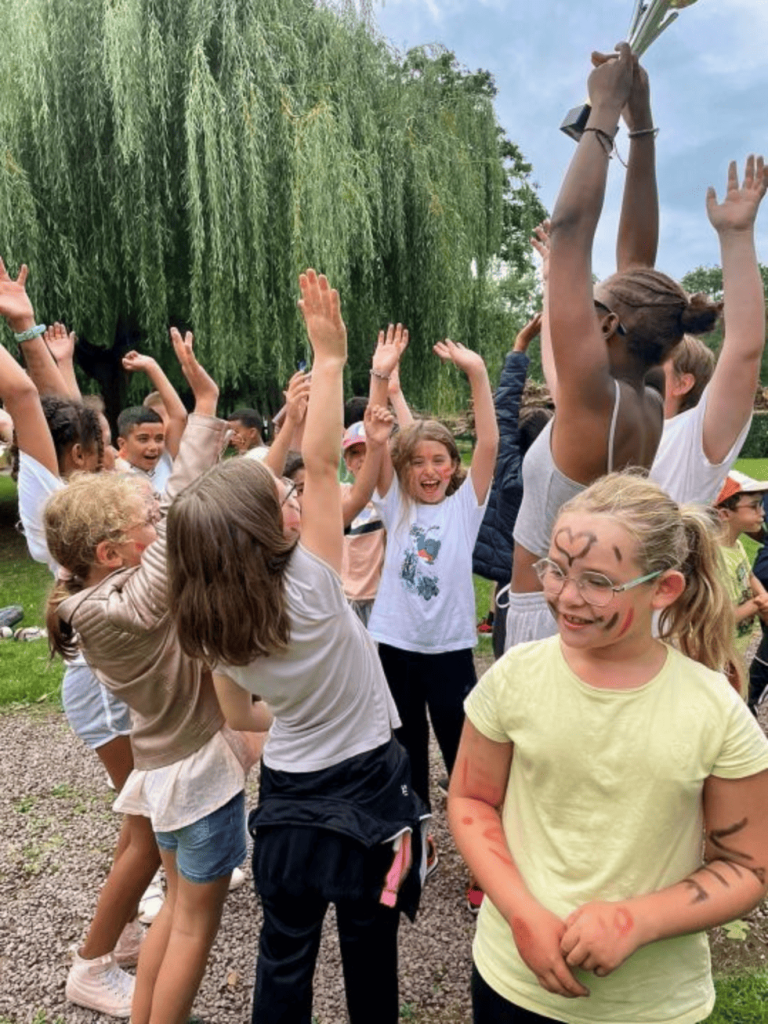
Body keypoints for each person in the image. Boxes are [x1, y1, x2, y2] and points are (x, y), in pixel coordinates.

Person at [165, 270, 427, 1024]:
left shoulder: (209, 626)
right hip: (369, 786)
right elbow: (320, 465)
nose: (292, 496)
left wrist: (296, 712)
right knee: (371, 944)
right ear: (268, 530)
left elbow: (241, 716)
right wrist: (334, 357)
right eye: (279, 500)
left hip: (285, 799)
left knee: (283, 957)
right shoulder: (314, 582)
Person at [449, 471, 768, 1024]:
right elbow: (471, 799)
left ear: (663, 588)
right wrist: (522, 915)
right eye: (556, 570)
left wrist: (636, 921)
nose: (567, 598)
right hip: (511, 985)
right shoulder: (516, 676)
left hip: (650, 1005)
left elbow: (747, 867)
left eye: (597, 581)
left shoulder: (714, 710)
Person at [45, 330, 265, 1024]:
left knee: (176, 910)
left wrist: (201, 408)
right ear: (110, 551)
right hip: (195, 778)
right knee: (196, 925)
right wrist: (201, 433)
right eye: (146, 521)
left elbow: (175, 502)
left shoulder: (94, 591)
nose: (160, 518)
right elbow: (183, 511)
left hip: (166, 775)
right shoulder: (121, 607)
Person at [506, 47, 720, 651]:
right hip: (592, 613)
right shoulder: (644, 396)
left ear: (604, 327)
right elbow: (639, 263)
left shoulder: (594, 399)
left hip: (543, 621)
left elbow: (573, 231)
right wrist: (640, 123)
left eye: (591, 302)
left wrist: (603, 109)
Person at [0, 256, 158, 1016]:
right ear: (70, 458)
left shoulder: (75, 487)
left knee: (149, 824)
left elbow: (64, 413)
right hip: (101, 680)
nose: (105, 456)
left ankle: (120, 939)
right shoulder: (47, 493)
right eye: (92, 449)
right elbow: (28, 399)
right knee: (152, 824)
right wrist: (23, 328)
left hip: (109, 670)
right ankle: (95, 963)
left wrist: (56, 359)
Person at [366, 321, 498, 897]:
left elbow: (491, 442)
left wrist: (478, 373)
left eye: (440, 459)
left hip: (448, 652)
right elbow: (379, 437)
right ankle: (414, 852)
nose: (429, 469)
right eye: (418, 460)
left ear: (453, 464)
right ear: (405, 467)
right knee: (405, 759)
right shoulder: (392, 501)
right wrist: (380, 380)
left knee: (464, 757)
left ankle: (485, 862)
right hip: (394, 647)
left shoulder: (465, 507)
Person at [650, 156, 768, 504]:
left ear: (682, 383)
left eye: (657, 359)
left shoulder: (694, 440)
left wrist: (736, 236)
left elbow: (744, 349)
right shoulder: (618, 425)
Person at [472, 312, 552, 657]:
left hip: (513, 591)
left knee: (509, 673)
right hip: (558, 590)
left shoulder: (510, 479)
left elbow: (503, 411)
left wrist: (519, 348)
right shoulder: (572, 486)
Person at [714, 470, 768, 703]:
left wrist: (763, 595)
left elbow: (750, 578)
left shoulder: (736, 547)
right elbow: (720, 618)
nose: (763, 513)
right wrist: (758, 604)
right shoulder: (714, 558)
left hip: (733, 649)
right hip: (715, 653)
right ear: (725, 514)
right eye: (754, 506)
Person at [115, 405, 174, 492]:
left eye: (159, 439)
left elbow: (180, 417)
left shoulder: (165, 462)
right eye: (143, 439)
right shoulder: (115, 480)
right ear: (122, 444)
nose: (153, 447)